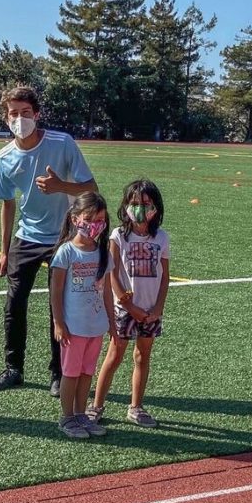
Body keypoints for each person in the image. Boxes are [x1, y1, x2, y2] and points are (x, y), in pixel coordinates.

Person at [0, 86, 98, 396]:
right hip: (26, 237)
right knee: (14, 302)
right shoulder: (4, 157)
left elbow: (91, 188)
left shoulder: (62, 143)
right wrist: (3, 250)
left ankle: (58, 372)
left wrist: (60, 186)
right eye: (14, 114)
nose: (20, 119)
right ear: (5, 118)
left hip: (63, 237)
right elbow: (7, 204)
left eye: (26, 113)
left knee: (59, 305)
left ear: (36, 114)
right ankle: (14, 368)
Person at [88, 179, 170, 427]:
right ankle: (96, 406)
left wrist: (157, 308)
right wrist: (126, 302)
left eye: (146, 203)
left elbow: (165, 276)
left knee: (143, 356)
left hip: (150, 310)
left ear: (156, 207)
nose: (140, 208)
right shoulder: (119, 236)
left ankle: (136, 407)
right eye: (134, 203)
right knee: (114, 355)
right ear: (125, 206)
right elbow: (112, 272)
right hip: (124, 309)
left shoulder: (162, 238)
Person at [50, 191, 115, 439]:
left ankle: (80, 414)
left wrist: (111, 322)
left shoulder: (102, 253)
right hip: (73, 328)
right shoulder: (66, 252)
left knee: (87, 372)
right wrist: (59, 322)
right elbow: (55, 291)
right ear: (76, 218)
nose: (95, 225)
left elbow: (107, 292)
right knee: (71, 373)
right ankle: (67, 417)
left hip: (95, 326)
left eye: (100, 219)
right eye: (90, 218)